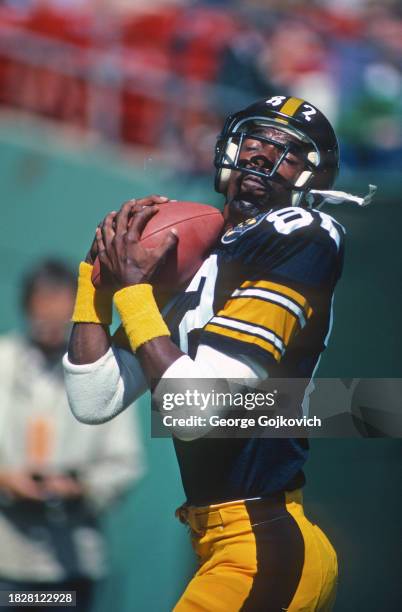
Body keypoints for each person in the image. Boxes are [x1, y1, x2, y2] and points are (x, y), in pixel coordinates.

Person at [63, 96, 373, 611]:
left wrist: (136, 295)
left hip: (264, 545)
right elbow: (93, 398)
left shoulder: (302, 233)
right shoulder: (199, 259)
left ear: (312, 178)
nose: (260, 155)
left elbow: (196, 410)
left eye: (287, 151)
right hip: (224, 541)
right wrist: (96, 281)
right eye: (254, 140)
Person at [0, 259, 145, 611]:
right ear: (27, 306)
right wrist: (5, 479)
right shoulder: (3, 361)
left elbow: (126, 461)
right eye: (43, 305)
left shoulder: (98, 372)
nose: (51, 316)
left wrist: (79, 487)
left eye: (60, 306)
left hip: (72, 562)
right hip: (6, 560)